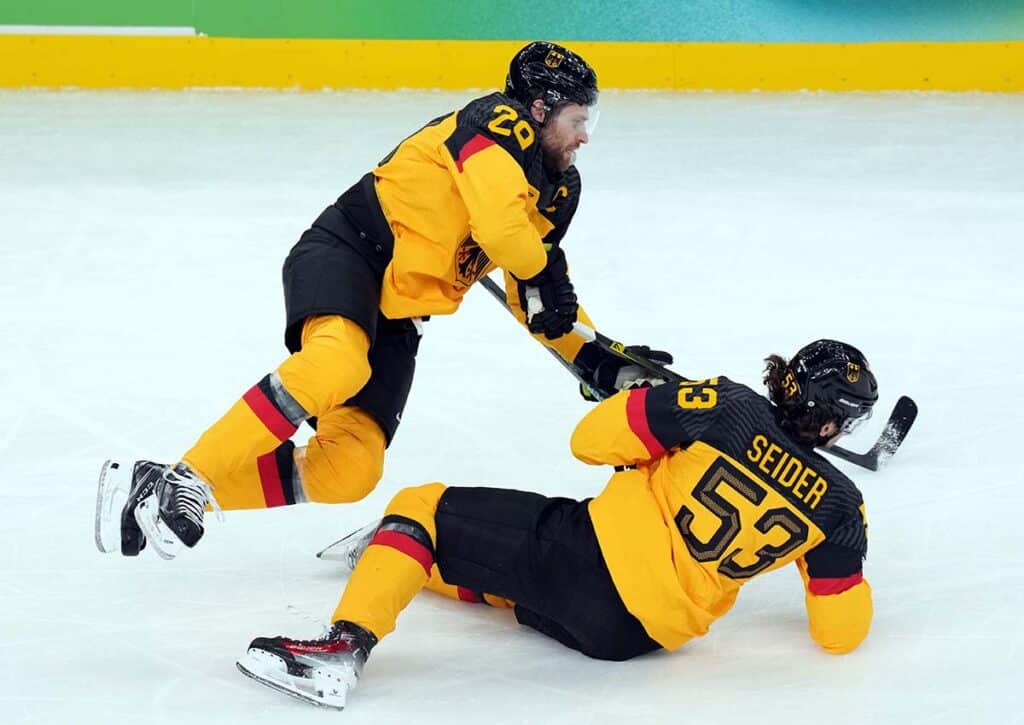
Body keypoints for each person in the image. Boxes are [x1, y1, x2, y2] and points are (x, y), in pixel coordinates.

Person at [93, 41, 673, 560]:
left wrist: (592, 354)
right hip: (350, 252)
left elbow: (536, 293)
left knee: (350, 469)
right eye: (577, 117)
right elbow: (504, 234)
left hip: (400, 308)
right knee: (336, 361)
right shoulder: (493, 122)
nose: (585, 134)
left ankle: (158, 485)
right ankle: (187, 477)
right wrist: (545, 269)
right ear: (540, 109)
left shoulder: (559, 187)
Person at [235, 339, 879, 710]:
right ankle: (398, 560)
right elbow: (840, 633)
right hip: (630, 638)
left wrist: (644, 407)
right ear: (832, 419)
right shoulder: (841, 507)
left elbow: (589, 441)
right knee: (513, 570)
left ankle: (345, 643)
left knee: (422, 503)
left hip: (584, 558)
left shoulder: (726, 406)